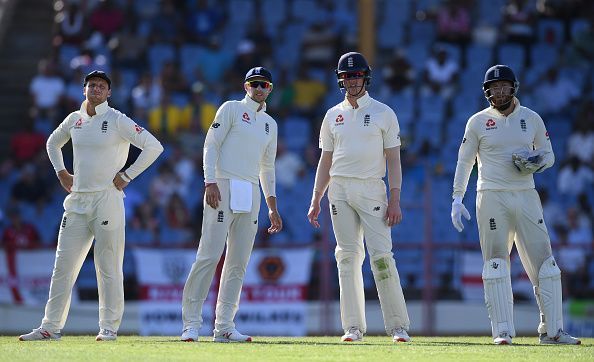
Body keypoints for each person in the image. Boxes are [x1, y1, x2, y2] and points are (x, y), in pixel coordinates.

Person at [18, 70, 163, 342]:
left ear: (109, 93)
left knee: (107, 264)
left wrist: (127, 175)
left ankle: (108, 327)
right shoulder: (75, 119)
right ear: (84, 89)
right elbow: (52, 142)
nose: (96, 89)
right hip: (77, 200)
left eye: (102, 86)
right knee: (64, 265)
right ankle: (50, 327)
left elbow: (154, 146)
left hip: (107, 198)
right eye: (92, 85)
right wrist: (61, 171)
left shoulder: (117, 119)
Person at [451, 64, 581, 345]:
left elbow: (549, 155)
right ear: (487, 92)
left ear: (513, 88)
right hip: (491, 195)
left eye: (504, 86)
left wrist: (536, 161)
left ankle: (553, 331)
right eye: (494, 87)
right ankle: (503, 332)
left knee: (546, 265)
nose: (499, 91)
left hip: (526, 194)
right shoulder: (476, 122)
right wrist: (457, 197)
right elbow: (465, 161)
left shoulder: (532, 119)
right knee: (496, 265)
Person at [307, 52, 411, 343]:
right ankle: (352, 328)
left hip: (371, 189)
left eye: (357, 76)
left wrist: (395, 198)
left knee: (381, 258)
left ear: (366, 77)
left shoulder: (383, 113)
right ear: (341, 80)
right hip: (338, 190)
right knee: (347, 258)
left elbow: (393, 160)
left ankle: (397, 326)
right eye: (347, 77)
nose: (352, 81)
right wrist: (317, 197)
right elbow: (326, 161)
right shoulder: (332, 115)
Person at [180, 67, 282, 343]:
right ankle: (191, 324)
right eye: (254, 84)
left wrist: (272, 206)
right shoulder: (231, 109)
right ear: (245, 86)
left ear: (270, 89)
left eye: (264, 85)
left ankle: (224, 325)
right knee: (209, 255)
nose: (259, 88)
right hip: (223, 186)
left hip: (250, 192)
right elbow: (210, 144)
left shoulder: (270, 124)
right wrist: (209, 182)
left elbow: (267, 167)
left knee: (237, 262)